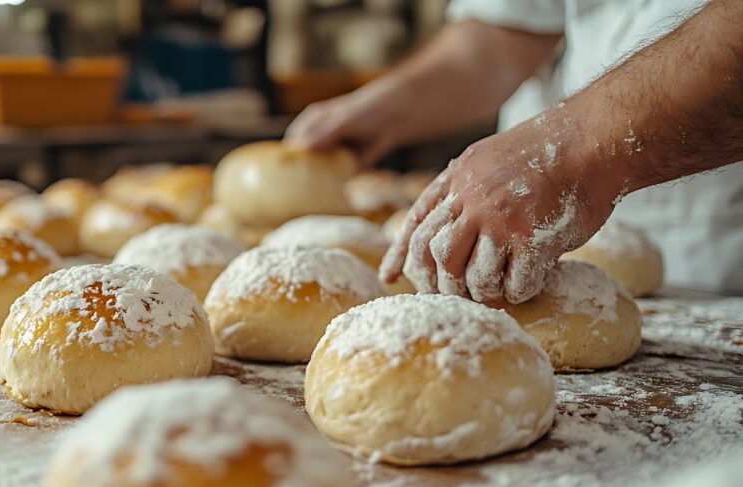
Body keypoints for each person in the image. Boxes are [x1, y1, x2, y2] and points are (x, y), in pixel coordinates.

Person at [286, 0, 743, 303]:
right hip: (525, 240)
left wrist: (568, 152)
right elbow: (507, 27)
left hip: (718, 267)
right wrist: (380, 110)